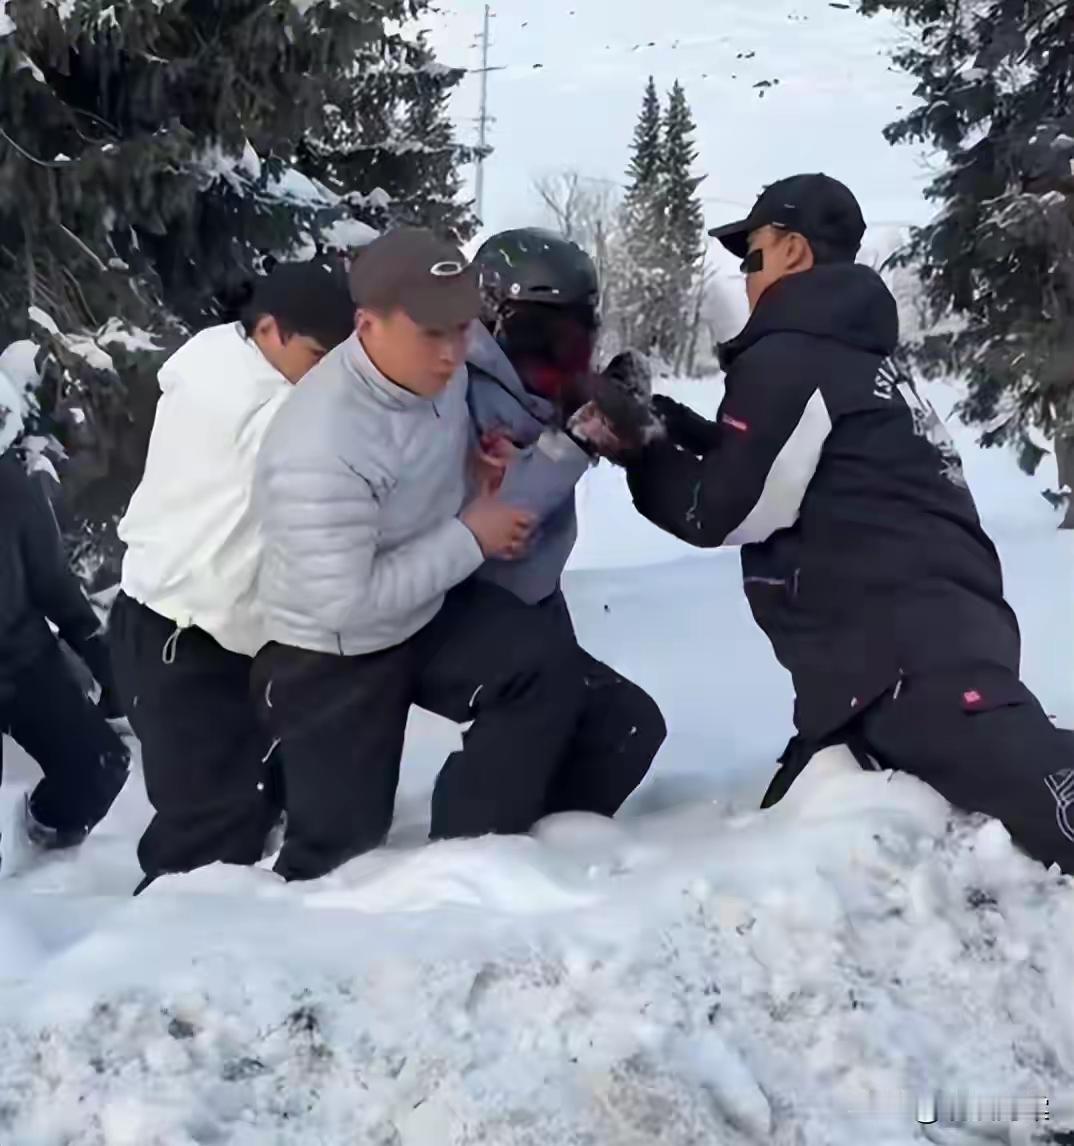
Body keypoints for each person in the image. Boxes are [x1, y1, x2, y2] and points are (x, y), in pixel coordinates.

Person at [592, 171, 1074, 874]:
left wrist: (636, 449)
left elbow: (722, 509)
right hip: (899, 659)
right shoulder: (853, 357)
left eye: (750, 256)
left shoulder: (793, 356)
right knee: (798, 862)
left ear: (790, 252)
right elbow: (772, 460)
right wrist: (664, 422)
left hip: (907, 664)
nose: (747, 277)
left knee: (1050, 806)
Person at [252, 227, 593, 882]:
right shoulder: (321, 441)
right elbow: (346, 602)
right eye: (430, 332)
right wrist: (473, 534)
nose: (451, 352)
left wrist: (478, 468)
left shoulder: (437, 371)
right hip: (334, 651)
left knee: (543, 670)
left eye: (462, 330)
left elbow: (424, 467)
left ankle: (467, 866)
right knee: (338, 853)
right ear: (367, 324)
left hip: (424, 611)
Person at [109, 260, 356, 891]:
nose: (331, 373)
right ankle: (143, 971)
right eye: (319, 354)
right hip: (180, 641)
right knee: (204, 842)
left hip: (216, 635)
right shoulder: (247, 403)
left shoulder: (225, 357)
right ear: (268, 330)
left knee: (251, 813)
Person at [467, 227, 665, 817]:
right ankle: (473, 851)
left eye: (577, 332)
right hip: (471, 604)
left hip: (534, 597)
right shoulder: (458, 389)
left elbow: (573, 409)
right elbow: (498, 521)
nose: (564, 351)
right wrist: (575, 438)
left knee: (616, 729)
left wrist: (616, 401)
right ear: (496, 316)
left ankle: (554, 841)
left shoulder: (529, 379)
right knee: (603, 722)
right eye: (546, 331)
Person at [0, 388, 129, 860]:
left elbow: (54, 585)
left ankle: (41, 856)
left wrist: (104, 662)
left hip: (20, 666)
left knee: (103, 766)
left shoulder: (10, 488)